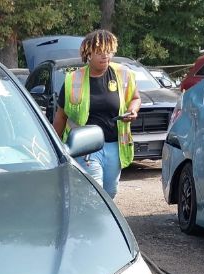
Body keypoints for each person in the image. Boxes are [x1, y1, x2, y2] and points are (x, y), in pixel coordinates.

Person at [53, 29, 141, 198]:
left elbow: (136, 98)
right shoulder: (73, 79)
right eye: (100, 52)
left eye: (108, 52)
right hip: (86, 147)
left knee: (110, 192)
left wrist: (133, 110)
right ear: (88, 54)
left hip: (114, 145)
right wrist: (55, 147)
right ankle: (93, 223)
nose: (105, 56)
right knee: (95, 192)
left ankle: (98, 221)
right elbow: (61, 116)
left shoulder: (123, 74)